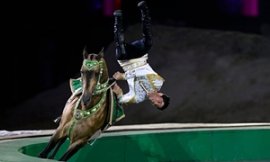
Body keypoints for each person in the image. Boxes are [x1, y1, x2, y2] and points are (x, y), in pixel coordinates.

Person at [112, 1, 170, 110]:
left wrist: (118, 93)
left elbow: (120, 100)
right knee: (148, 43)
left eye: (155, 105)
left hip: (126, 61)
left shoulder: (138, 98)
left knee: (120, 49)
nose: (154, 102)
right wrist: (123, 77)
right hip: (139, 56)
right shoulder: (158, 83)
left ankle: (117, 17)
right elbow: (142, 74)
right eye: (159, 102)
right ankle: (144, 11)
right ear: (161, 95)